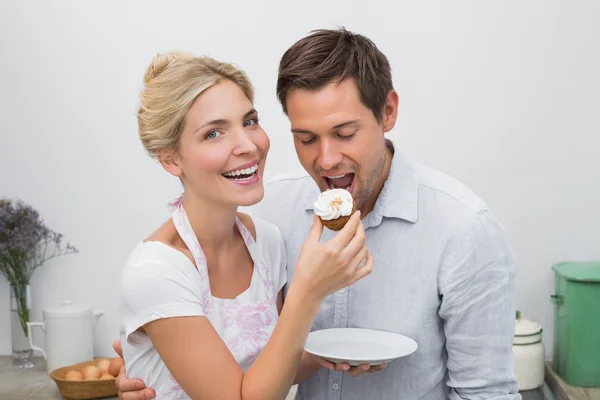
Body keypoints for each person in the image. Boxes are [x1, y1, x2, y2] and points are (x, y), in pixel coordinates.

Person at [115, 28, 520, 400]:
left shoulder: (465, 231)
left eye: (345, 134)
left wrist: (329, 355)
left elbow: (488, 393)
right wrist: (154, 370)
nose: (325, 159)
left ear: (388, 112)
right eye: (306, 138)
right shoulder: (266, 211)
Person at [116, 51, 374, 400]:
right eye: (214, 133)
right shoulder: (157, 272)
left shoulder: (266, 240)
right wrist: (308, 292)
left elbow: (270, 371)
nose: (248, 145)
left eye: (249, 121)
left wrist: (326, 355)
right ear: (170, 158)